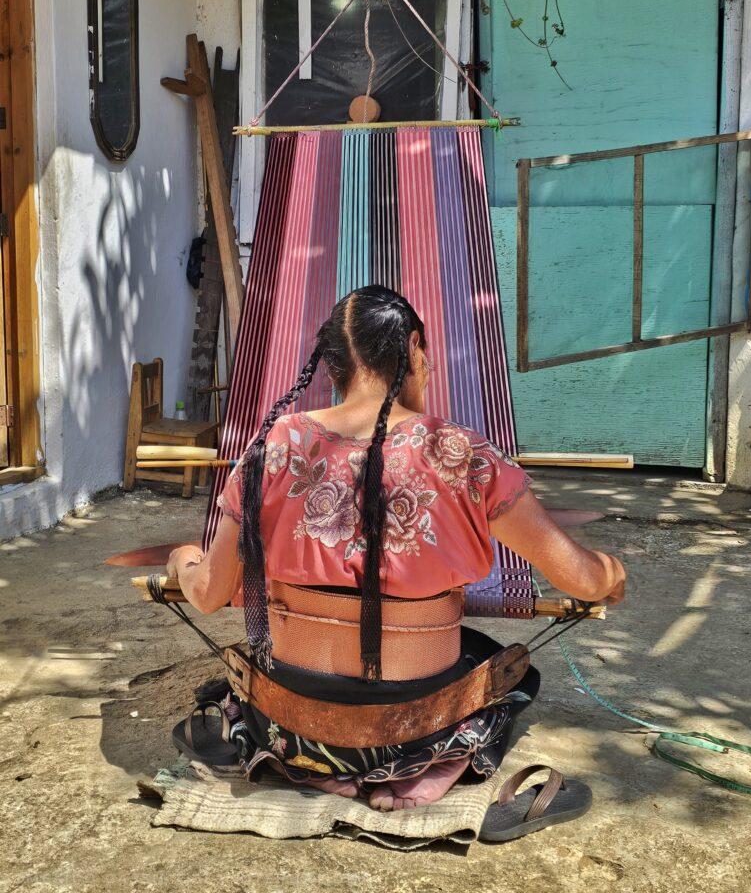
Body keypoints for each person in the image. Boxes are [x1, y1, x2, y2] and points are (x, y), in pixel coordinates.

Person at [166, 286, 625, 814]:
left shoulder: (274, 444)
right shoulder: (460, 453)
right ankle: (440, 763)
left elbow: (207, 594)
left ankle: (315, 767)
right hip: (413, 729)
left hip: (298, 722)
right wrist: (612, 572)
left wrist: (184, 557)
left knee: (252, 682)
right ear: (415, 351)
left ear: (331, 365)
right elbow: (585, 579)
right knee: (508, 672)